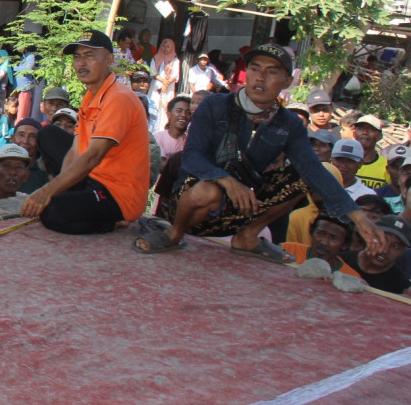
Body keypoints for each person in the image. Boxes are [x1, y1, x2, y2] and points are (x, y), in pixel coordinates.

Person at [139, 44, 384, 259]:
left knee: (302, 176)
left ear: (288, 81)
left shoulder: (289, 124)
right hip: (193, 205)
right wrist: (226, 181)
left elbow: (313, 171)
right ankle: (174, 234)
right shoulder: (215, 105)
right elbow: (192, 157)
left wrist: (357, 216)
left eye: (272, 72)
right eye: (255, 69)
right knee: (208, 189)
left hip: (243, 208)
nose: (260, 77)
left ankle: (248, 237)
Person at [23, 30, 148, 235]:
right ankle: (75, 198)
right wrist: (57, 190)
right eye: (77, 57)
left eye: (89, 56)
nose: (81, 63)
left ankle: (114, 222)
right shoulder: (90, 96)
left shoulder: (119, 98)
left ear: (109, 60)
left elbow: (93, 156)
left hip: (117, 193)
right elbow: (75, 149)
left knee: (52, 213)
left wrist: (47, 193)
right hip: (92, 178)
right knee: (48, 134)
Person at [339, 215, 410, 294]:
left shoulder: (401, 286)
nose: (384, 250)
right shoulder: (340, 260)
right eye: (382, 239)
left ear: (402, 251)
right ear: (369, 236)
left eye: (395, 246)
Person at [351, 114, 391, 190]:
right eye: (361, 128)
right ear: (354, 133)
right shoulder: (344, 162)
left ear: (380, 136)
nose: (365, 132)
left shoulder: (386, 166)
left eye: (371, 129)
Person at [149, 38, 180, 130]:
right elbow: (152, 72)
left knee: (165, 107)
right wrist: (163, 81)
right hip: (156, 86)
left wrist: (166, 84)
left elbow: (175, 75)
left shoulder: (175, 60)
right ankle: (151, 128)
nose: (165, 48)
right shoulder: (156, 57)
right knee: (154, 104)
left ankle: (162, 128)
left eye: (168, 47)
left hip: (168, 88)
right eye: (164, 46)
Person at [154, 96, 191, 161]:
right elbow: (161, 165)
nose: (183, 115)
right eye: (179, 111)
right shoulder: (158, 137)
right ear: (169, 114)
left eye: (188, 112)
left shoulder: (190, 140)